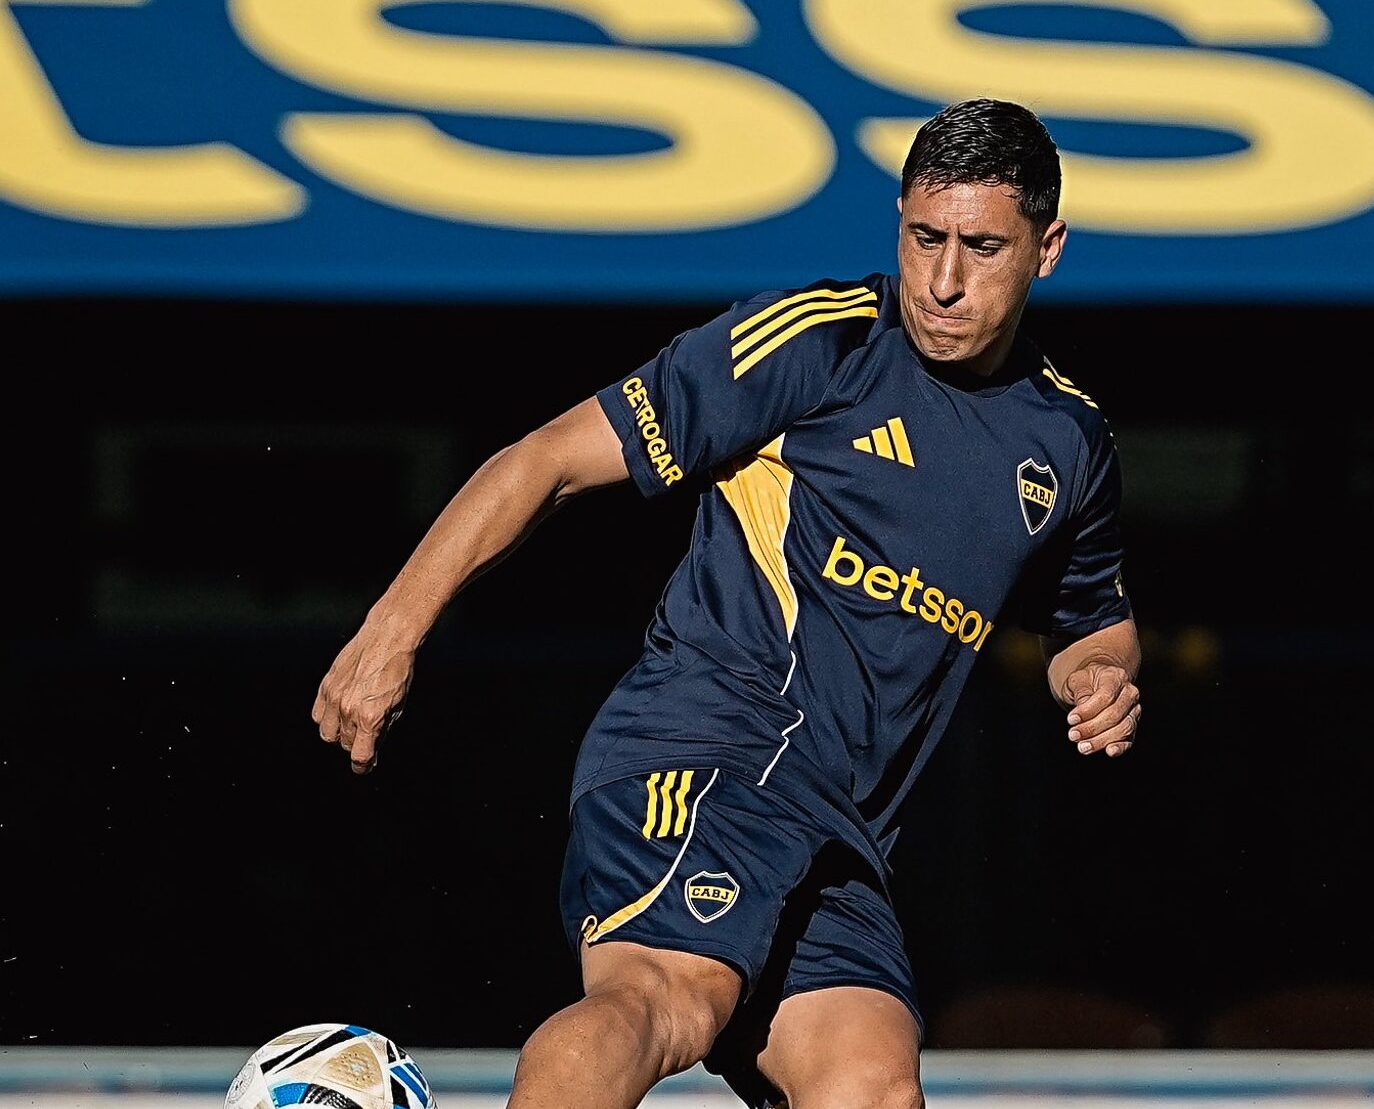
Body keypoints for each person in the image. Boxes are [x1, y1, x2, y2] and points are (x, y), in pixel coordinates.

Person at [312, 98, 1142, 1109]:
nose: (943, 279)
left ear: (1048, 248)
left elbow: (1088, 620)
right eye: (926, 238)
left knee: (872, 1086)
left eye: (982, 247)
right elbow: (547, 459)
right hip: (713, 746)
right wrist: (391, 628)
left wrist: (1101, 676)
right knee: (669, 998)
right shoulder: (821, 342)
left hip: (842, 830)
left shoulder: (1068, 440)